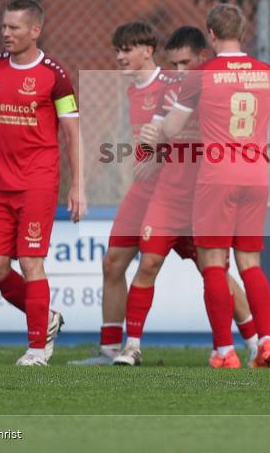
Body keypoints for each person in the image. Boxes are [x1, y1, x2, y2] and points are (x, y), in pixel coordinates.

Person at [160, 5, 270, 369]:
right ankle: (266, 340)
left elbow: (172, 129)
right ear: (244, 31)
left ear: (211, 34)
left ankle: (224, 349)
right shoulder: (264, 73)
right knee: (250, 262)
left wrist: (157, 125)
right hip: (256, 176)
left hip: (216, 177)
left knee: (213, 264)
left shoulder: (202, 75)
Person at [114, 26, 259, 366]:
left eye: (186, 64)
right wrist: (150, 153)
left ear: (203, 60)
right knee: (147, 263)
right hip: (168, 198)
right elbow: (150, 138)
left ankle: (253, 342)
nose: (180, 72)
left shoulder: (219, 94)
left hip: (205, 201)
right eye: (175, 65)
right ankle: (130, 346)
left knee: (218, 273)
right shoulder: (171, 95)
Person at [0, 0, 84, 366]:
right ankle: (47, 317)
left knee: (32, 260)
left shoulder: (55, 74)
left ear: (36, 30)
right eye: (3, 26)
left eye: (14, 28)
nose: (6, 33)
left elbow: (72, 132)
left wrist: (78, 184)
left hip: (38, 181)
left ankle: (36, 350)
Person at [69, 22, 171, 366]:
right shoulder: (131, 91)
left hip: (174, 196)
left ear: (147, 50)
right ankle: (110, 349)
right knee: (112, 263)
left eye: (127, 49)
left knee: (211, 267)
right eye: (117, 50)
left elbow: (190, 140)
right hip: (141, 192)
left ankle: (255, 339)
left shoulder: (171, 87)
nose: (120, 56)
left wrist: (158, 161)